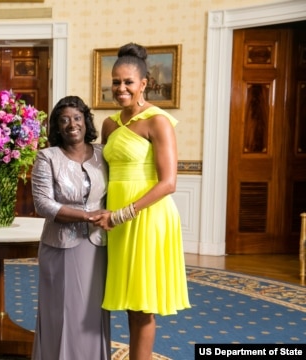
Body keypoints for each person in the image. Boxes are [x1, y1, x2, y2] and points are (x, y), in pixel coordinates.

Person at [92, 43, 191, 360]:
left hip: (147, 218)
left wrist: (121, 215)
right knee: (127, 300)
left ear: (144, 83)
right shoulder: (109, 125)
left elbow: (169, 183)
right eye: (115, 82)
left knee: (142, 304)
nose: (120, 89)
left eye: (128, 82)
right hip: (115, 219)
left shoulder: (157, 121)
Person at [30, 95, 110, 360]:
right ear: (56, 126)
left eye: (77, 118)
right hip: (60, 247)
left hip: (98, 247)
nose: (71, 124)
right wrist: (87, 216)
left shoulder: (102, 153)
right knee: (61, 313)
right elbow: (43, 205)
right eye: (64, 120)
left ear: (86, 122)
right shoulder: (47, 156)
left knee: (92, 313)